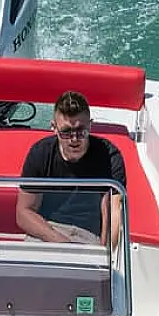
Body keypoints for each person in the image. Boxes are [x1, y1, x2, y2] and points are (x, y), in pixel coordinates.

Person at [16, 90, 128, 245]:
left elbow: (114, 212)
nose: (74, 139)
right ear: (54, 128)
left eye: (81, 131)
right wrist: (63, 244)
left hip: (88, 236)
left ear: (90, 125)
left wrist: (104, 253)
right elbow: (24, 212)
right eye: (66, 132)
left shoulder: (109, 157)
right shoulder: (40, 153)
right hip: (46, 229)